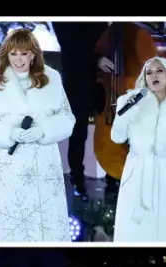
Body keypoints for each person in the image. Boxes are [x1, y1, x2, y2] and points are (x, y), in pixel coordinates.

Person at [0, 28, 74, 242]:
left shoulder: (52, 78)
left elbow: (68, 118)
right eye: (14, 54)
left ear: (33, 54)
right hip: (13, 163)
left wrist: (44, 130)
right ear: (6, 55)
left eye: (24, 53)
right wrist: (10, 133)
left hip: (45, 160)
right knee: (16, 222)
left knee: (49, 222)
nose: (19, 59)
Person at [111, 57, 166, 242]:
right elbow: (117, 137)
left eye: (159, 71)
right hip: (137, 175)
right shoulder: (131, 100)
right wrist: (125, 115)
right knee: (133, 232)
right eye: (149, 72)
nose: (154, 75)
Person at [52, 21, 112, 200]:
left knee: (115, 123)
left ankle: (113, 176)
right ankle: (78, 179)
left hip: (105, 76)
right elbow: (71, 48)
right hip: (78, 78)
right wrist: (97, 60)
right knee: (79, 130)